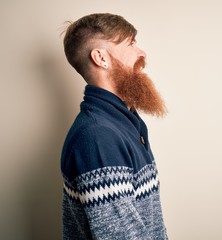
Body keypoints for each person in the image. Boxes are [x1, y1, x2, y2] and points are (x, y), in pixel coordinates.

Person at [60, 13, 168, 239]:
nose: (142, 53)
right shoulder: (98, 136)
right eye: (130, 43)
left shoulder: (123, 122)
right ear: (101, 58)